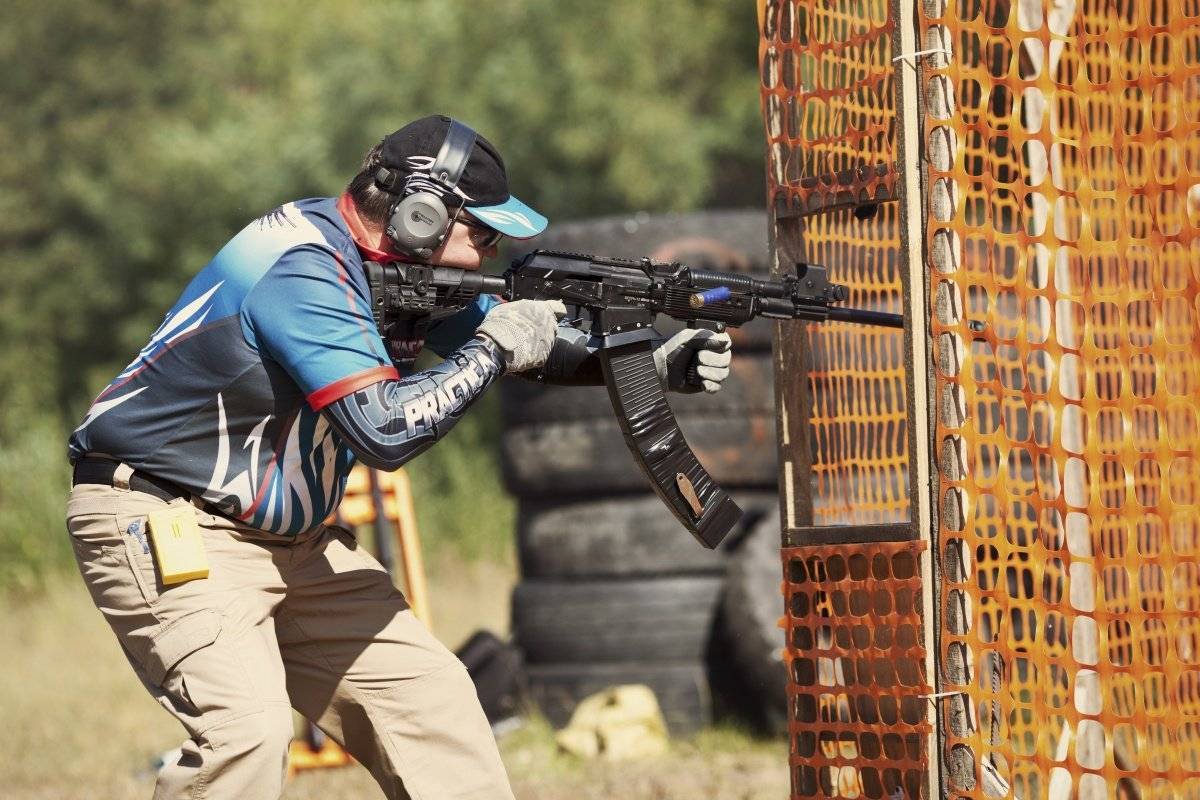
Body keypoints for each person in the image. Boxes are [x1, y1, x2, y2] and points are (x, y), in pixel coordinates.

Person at [64, 114, 733, 800]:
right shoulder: (304, 268)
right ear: (421, 213)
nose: (492, 252)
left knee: (436, 710)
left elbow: (531, 345)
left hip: (296, 545)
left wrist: (648, 360)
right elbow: (387, 432)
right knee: (247, 734)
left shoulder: (393, 272)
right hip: (169, 522)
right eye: (485, 233)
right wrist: (495, 348)